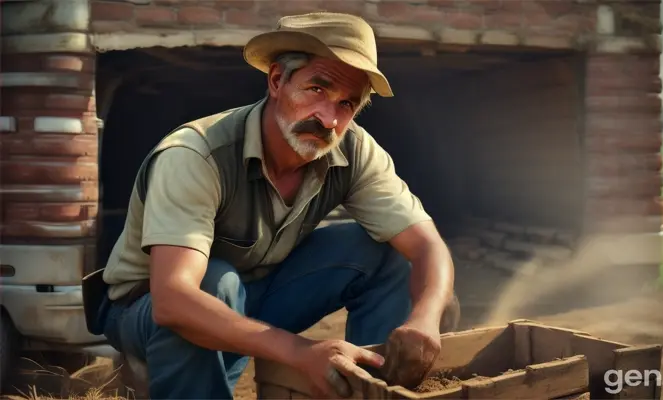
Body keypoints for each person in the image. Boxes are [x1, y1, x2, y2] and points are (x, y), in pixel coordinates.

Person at [96, 11, 458, 399]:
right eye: (317, 89)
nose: (328, 119)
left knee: (385, 254)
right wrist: (303, 353)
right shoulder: (196, 154)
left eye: (346, 104)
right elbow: (173, 300)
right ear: (276, 80)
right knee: (215, 281)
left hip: (259, 291)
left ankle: (373, 391)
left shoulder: (354, 150)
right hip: (149, 308)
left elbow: (427, 246)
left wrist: (424, 320)